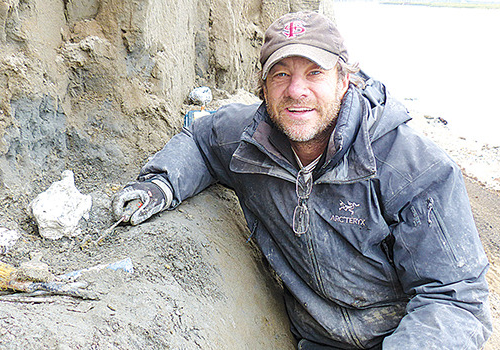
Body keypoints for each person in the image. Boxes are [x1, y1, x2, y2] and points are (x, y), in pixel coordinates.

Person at [111, 11, 492, 349]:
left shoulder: (413, 168)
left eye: (315, 73)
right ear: (263, 87)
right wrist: (160, 185)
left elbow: (454, 300)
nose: (296, 91)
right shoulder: (249, 142)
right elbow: (200, 139)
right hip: (316, 340)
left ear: (345, 80)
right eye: (281, 74)